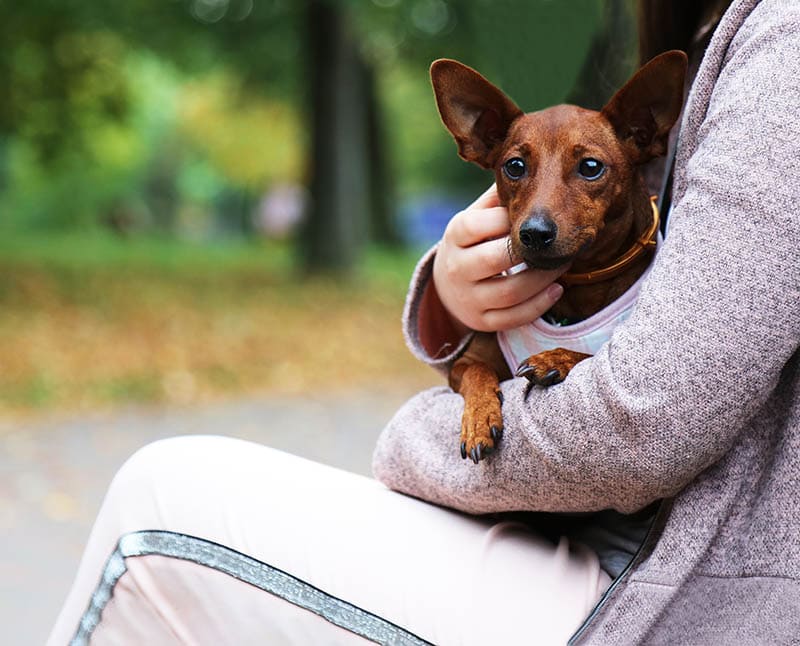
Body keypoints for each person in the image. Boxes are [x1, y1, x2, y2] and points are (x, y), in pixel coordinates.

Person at [49, 1, 799, 643]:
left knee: (152, 502)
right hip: (589, 548)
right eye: (515, 170)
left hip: (670, 593)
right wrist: (449, 290)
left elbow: (648, 421)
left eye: (588, 173)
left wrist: (414, 440)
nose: (542, 205)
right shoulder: (702, 33)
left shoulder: (779, 44)